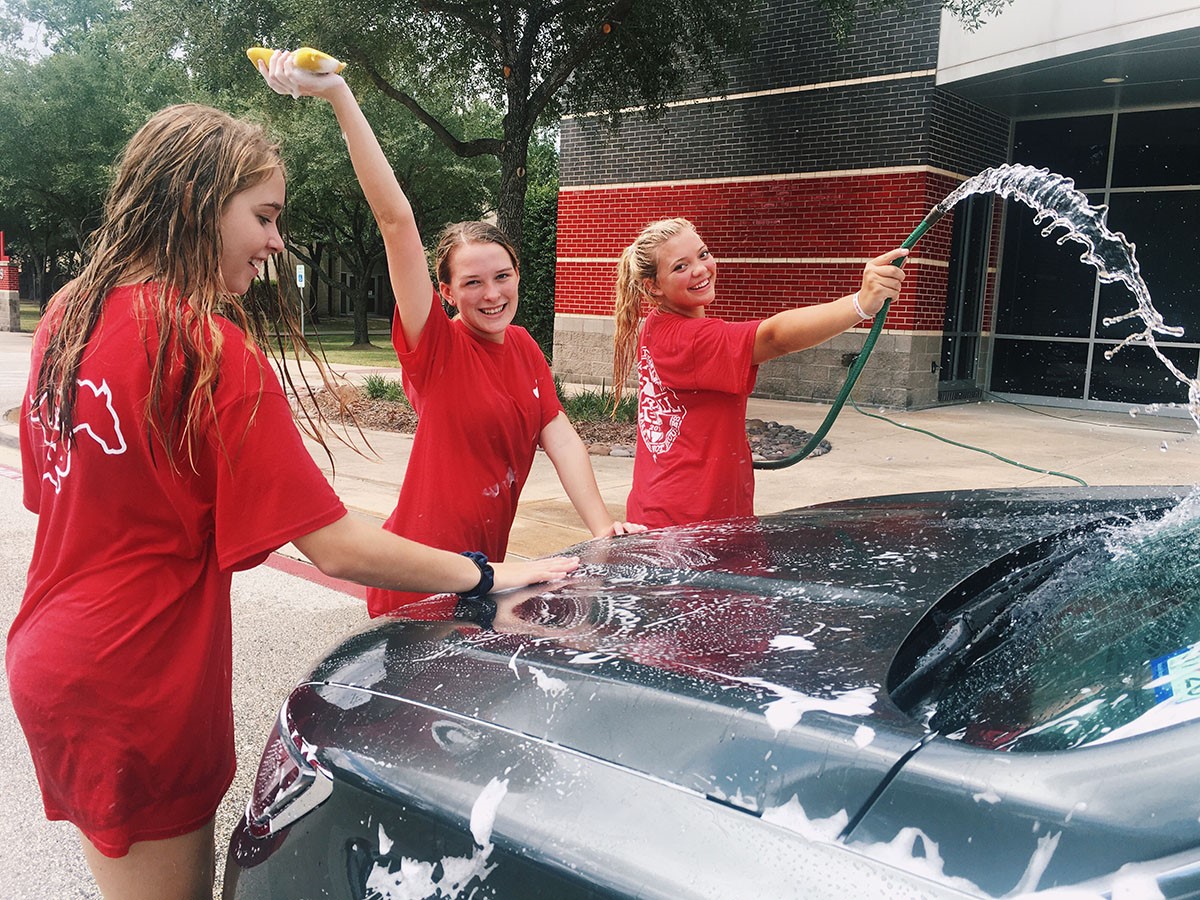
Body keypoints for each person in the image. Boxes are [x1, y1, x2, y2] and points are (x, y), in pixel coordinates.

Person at [10, 102, 578, 900]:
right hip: (140, 681)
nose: (278, 242)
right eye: (265, 216)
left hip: (51, 656)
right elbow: (336, 545)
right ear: (199, 201)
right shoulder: (207, 348)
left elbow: (56, 492)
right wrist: (491, 574)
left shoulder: (69, 310)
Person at [256, 52, 644, 619]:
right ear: (445, 291)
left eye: (502, 276)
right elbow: (396, 221)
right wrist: (341, 95)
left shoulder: (525, 348)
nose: (491, 294)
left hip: (487, 571)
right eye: (473, 282)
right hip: (421, 576)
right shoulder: (436, 346)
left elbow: (559, 438)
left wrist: (602, 526)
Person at [612, 217, 908, 529]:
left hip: (663, 511)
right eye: (680, 267)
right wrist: (861, 304)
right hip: (690, 525)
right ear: (653, 287)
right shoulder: (692, 338)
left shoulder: (656, 327)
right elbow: (773, 337)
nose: (700, 269)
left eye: (702, 254)